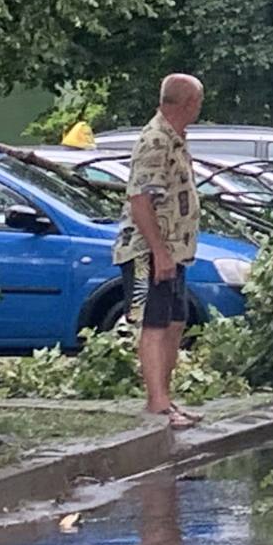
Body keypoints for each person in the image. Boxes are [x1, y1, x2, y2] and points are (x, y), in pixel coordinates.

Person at [112, 73, 206, 429]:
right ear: (187, 103)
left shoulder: (176, 139)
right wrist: (159, 252)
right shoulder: (155, 140)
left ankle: (166, 397)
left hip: (175, 251)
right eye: (198, 101)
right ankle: (157, 404)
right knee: (154, 322)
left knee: (175, 320)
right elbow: (140, 202)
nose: (199, 108)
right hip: (148, 251)